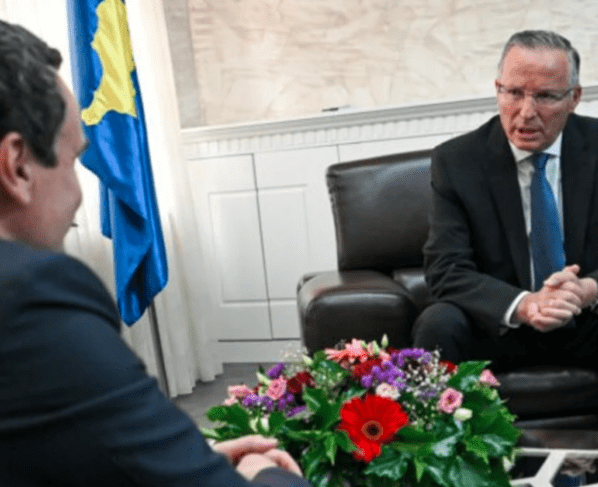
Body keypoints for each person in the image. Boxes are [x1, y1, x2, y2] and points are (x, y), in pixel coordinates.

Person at [0, 19, 309, 487]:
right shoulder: (30, 298)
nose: (79, 195)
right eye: (76, 160)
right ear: (18, 165)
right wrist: (261, 472)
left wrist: (176, 462)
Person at [412, 30, 598, 372]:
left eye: (545, 96)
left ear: (574, 98)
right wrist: (525, 304)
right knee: (439, 322)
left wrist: (588, 289)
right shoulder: (457, 162)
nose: (526, 112)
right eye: (513, 93)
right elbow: (445, 268)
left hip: (586, 318)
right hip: (500, 326)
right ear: (498, 88)